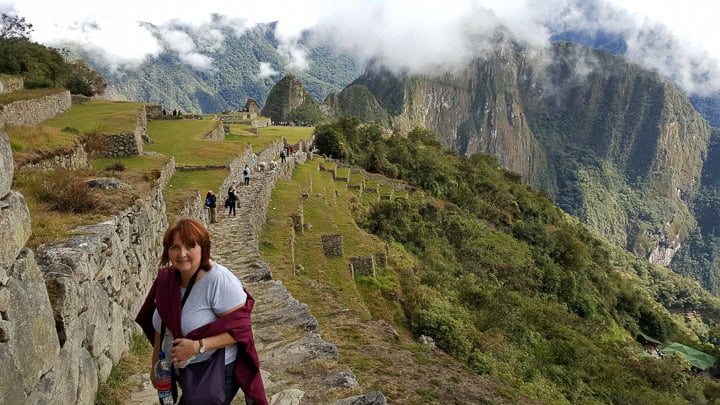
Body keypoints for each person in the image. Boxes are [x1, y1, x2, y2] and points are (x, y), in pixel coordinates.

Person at [135, 218, 267, 405]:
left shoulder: (219, 281)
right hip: (177, 368)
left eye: (190, 246)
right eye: (175, 247)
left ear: (203, 248)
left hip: (213, 372)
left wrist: (198, 346)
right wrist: (155, 365)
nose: (182, 254)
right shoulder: (166, 281)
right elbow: (161, 327)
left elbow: (242, 330)